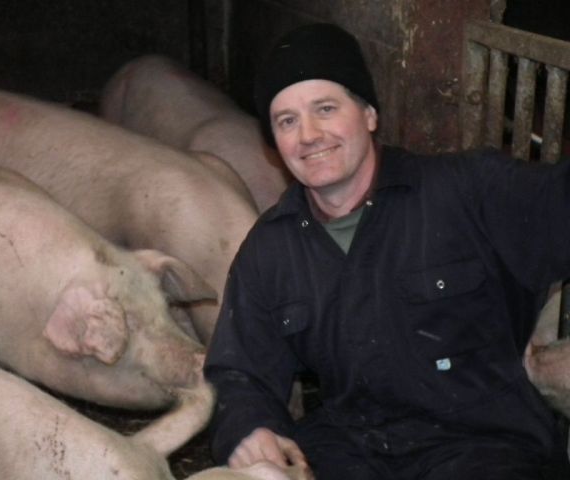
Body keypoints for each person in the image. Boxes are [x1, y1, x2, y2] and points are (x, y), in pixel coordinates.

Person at [204, 22, 570, 479]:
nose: (310, 134)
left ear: (370, 115)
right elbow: (238, 373)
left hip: (484, 445)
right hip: (350, 448)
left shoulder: (467, 191)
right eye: (287, 121)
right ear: (276, 144)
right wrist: (248, 427)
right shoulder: (270, 249)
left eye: (325, 108)